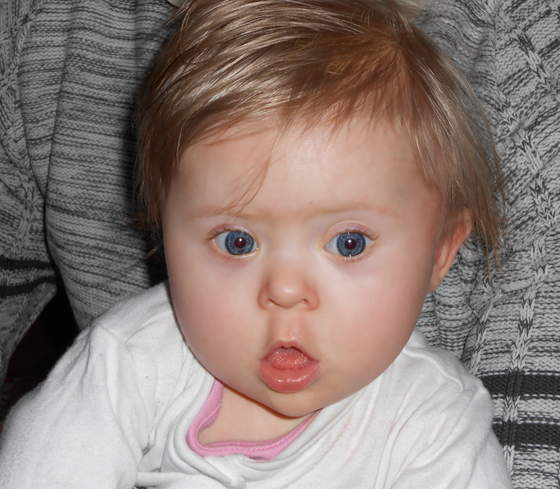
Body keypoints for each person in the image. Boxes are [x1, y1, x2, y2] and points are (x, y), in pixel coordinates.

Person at [0, 0, 512, 487]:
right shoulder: (126, 364)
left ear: (441, 251)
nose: (285, 289)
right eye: (238, 242)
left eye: (349, 243)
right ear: (164, 235)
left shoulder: (434, 422)